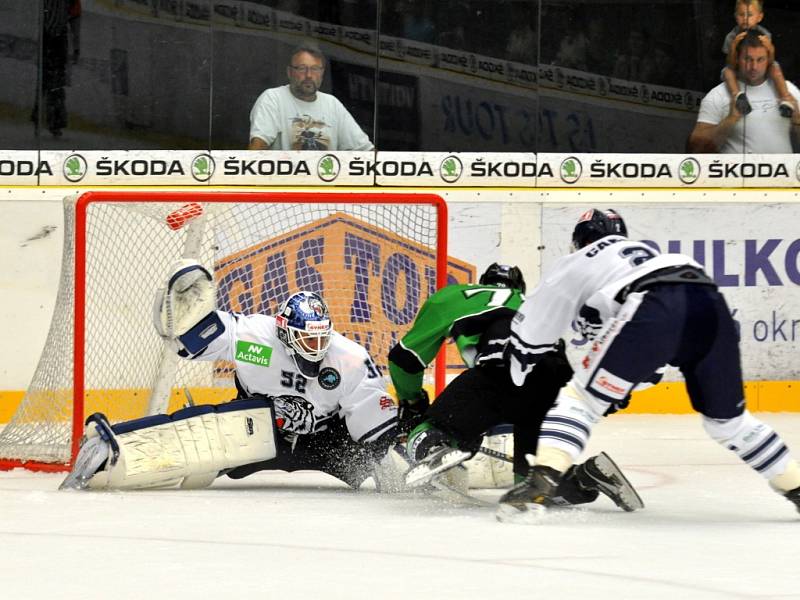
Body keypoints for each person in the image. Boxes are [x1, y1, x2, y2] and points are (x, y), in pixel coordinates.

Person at [499, 208, 800, 520]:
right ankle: (797, 487)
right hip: (708, 299)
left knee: (580, 400)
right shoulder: (646, 253)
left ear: (580, 240)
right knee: (730, 423)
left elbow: (531, 332)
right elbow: (652, 358)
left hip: (653, 302)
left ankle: (540, 483)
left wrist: (517, 369)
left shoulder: (576, 261)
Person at [61, 261, 401, 492]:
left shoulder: (348, 358)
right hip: (259, 434)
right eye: (306, 338)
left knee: (375, 458)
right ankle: (116, 448)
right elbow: (193, 341)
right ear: (284, 332)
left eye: (320, 337)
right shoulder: (257, 339)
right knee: (209, 440)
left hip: (327, 442)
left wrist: (396, 465)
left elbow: (378, 426)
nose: (315, 347)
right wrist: (183, 318)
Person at [388, 263, 643, 511]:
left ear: (483, 283)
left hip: (500, 372)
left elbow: (404, 358)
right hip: (553, 382)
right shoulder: (536, 302)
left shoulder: (457, 296)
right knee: (534, 483)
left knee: (425, 431)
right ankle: (586, 476)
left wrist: (412, 403)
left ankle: (435, 448)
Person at [688, 30, 800, 153]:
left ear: (769, 60)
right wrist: (730, 120)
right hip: (735, 172)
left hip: (782, 172)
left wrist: (797, 119)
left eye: (760, 59)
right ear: (737, 59)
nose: (754, 67)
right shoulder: (718, 95)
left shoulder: (788, 90)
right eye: (748, 59)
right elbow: (695, 150)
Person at [248, 43, 374, 151]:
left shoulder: (332, 104)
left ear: (322, 73)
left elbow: (366, 151)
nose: (309, 75)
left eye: (315, 69)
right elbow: (257, 149)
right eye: (302, 68)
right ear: (289, 72)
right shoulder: (273, 98)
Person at [720, 0, 793, 118]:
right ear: (735, 16)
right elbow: (731, 64)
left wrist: (771, 49)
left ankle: (785, 99)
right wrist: (733, 47)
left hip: (759, 73)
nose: (745, 19)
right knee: (727, 72)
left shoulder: (764, 34)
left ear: (759, 17)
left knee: (775, 66)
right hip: (741, 72)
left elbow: (769, 61)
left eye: (749, 15)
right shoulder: (731, 37)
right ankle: (738, 97)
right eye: (741, 14)